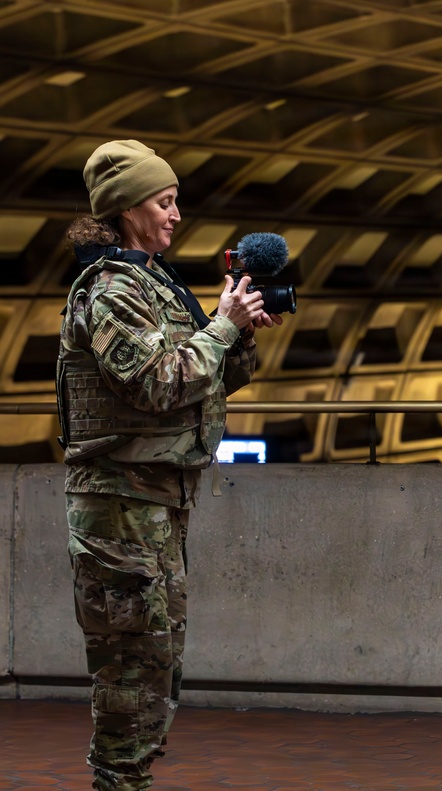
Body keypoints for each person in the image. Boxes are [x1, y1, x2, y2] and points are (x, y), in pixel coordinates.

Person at [56, 139, 282, 790]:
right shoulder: (110, 289)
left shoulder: (152, 281)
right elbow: (155, 381)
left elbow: (203, 383)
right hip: (118, 510)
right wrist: (217, 328)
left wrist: (236, 330)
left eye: (176, 199)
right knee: (131, 672)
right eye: (164, 201)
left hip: (154, 507)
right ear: (127, 209)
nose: (177, 213)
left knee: (155, 667)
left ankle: (128, 779)